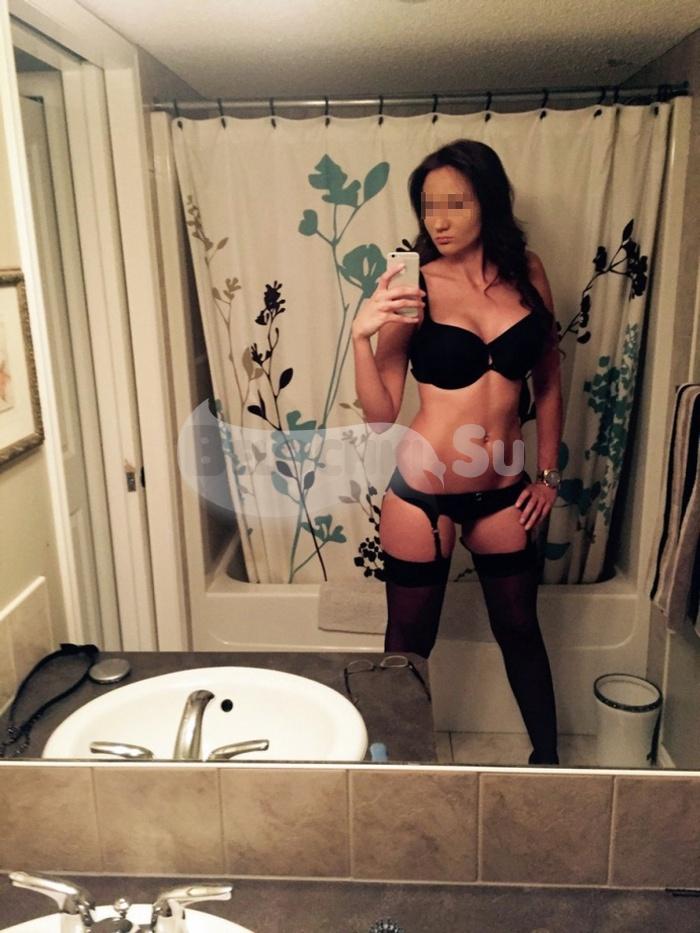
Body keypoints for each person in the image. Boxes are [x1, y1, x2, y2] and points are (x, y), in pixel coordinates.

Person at [351, 139, 563, 766]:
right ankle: (389, 773)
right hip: (424, 499)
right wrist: (361, 338)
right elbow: (381, 416)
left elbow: (549, 380)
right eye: (428, 206)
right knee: (408, 648)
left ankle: (550, 767)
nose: (438, 221)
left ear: (488, 203)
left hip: (504, 492)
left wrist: (548, 476)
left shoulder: (528, 271)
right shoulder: (413, 284)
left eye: (456, 204)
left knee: (521, 631)